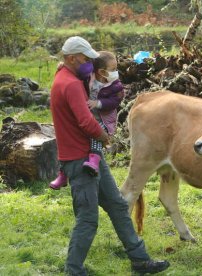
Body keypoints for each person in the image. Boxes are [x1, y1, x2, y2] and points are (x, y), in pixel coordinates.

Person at [50, 36, 170, 275]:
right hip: (80, 159)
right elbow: (85, 121)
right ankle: (73, 270)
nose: (89, 64)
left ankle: (140, 260)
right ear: (72, 58)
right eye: (85, 59)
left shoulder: (66, 77)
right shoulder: (71, 84)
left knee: (116, 205)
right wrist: (105, 137)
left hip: (86, 154)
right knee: (87, 218)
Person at [49, 50, 124, 189]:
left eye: (116, 68)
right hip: (89, 115)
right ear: (101, 71)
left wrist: (99, 103)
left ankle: (94, 159)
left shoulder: (115, 85)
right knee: (67, 141)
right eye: (113, 69)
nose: (116, 72)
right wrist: (62, 67)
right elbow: (75, 74)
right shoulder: (90, 78)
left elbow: (116, 100)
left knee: (97, 135)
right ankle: (63, 173)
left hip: (104, 118)